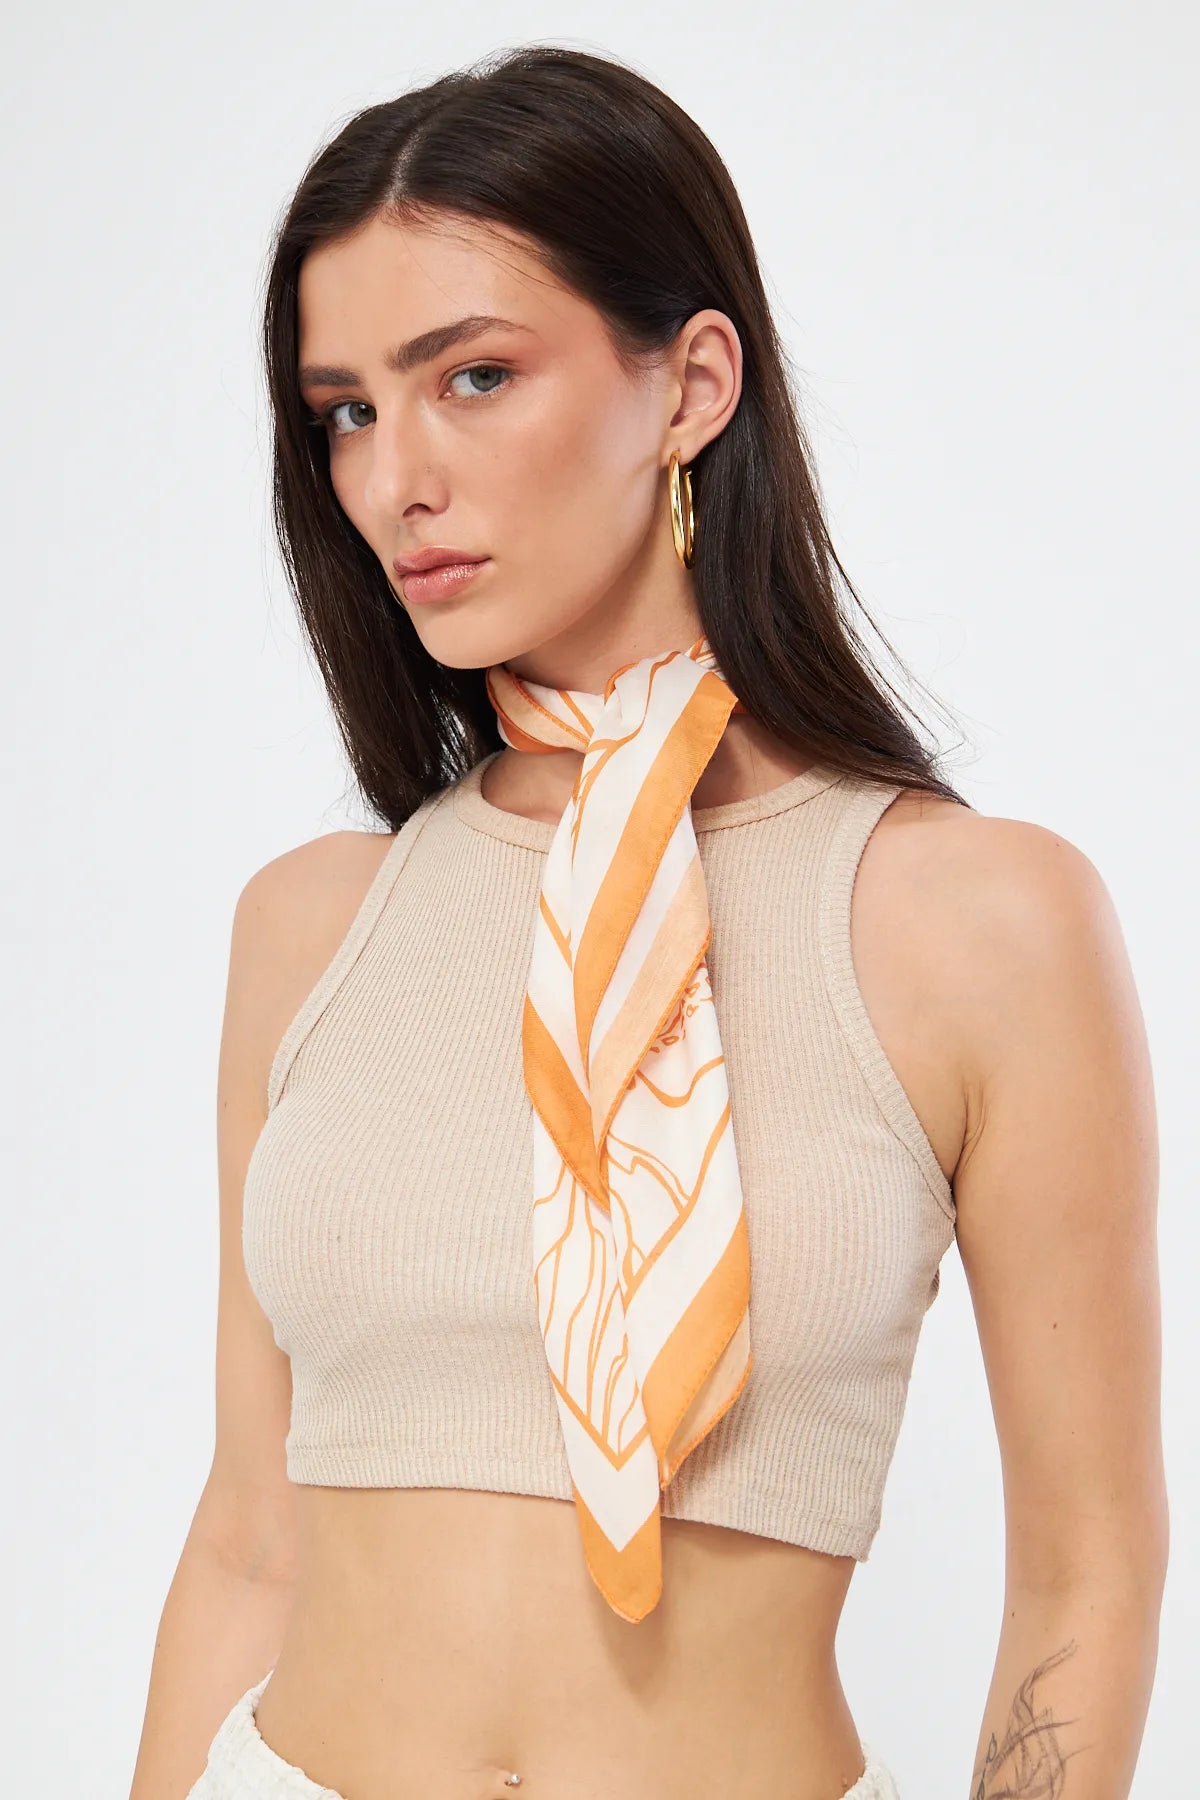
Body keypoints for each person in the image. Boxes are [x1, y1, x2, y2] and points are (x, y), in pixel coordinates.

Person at [127, 44, 1167, 1800]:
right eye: (346, 411)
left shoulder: (976, 921)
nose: (392, 479)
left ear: (690, 386)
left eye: (472, 376)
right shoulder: (315, 925)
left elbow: (1090, 1576)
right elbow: (248, 1534)